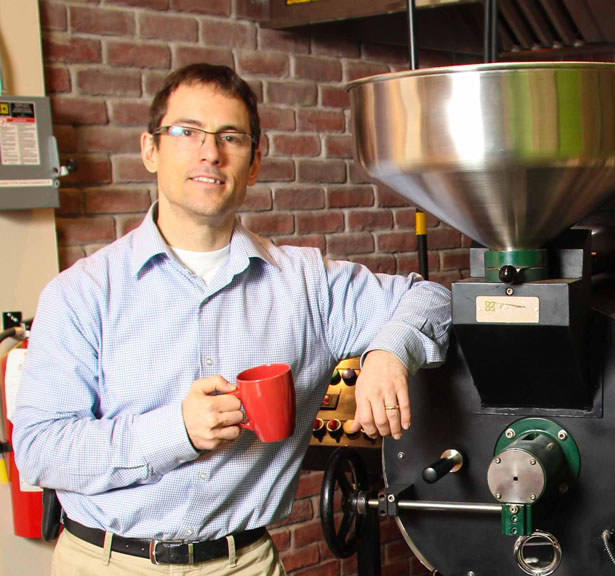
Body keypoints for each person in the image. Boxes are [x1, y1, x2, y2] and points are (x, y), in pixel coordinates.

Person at [12, 63, 451, 575]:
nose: (210, 152)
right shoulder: (80, 293)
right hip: (107, 562)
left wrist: (388, 351)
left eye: (231, 137)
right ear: (150, 149)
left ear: (254, 160)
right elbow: (40, 451)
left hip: (242, 563)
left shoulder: (306, 283)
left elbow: (433, 300)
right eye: (187, 132)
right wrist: (176, 430)